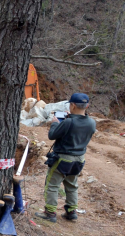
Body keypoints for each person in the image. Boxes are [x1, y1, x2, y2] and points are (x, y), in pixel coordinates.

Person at [35, 93, 96, 223]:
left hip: (62, 159)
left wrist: (55, 124)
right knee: (72, 185)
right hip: (79, 159)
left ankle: (50, 212)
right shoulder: (92, 122)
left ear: (72, 105)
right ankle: (71, 211)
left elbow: (52, 135)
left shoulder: (68, 122)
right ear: (87, 105)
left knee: (52, 185)